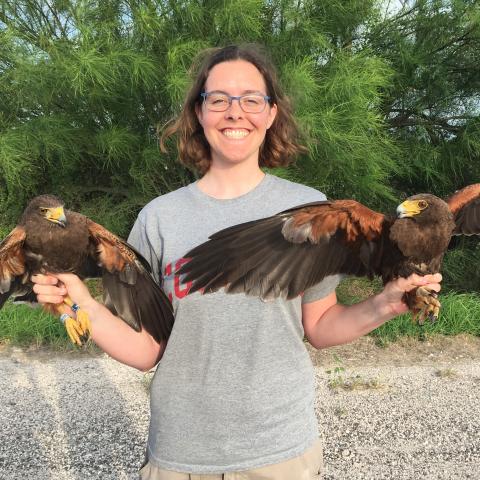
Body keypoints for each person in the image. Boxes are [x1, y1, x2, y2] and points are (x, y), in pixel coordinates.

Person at [31, 44, 442, 479]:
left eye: (251, 99)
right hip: (180, 455)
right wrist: (81, 305)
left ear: (270, 113)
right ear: (199, 112)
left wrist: (387, 304)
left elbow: (319, 327)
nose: (234, 112)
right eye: (219, 99)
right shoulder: (158, 219)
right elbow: (146, 348)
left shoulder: (312, 211)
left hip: (280, 452)